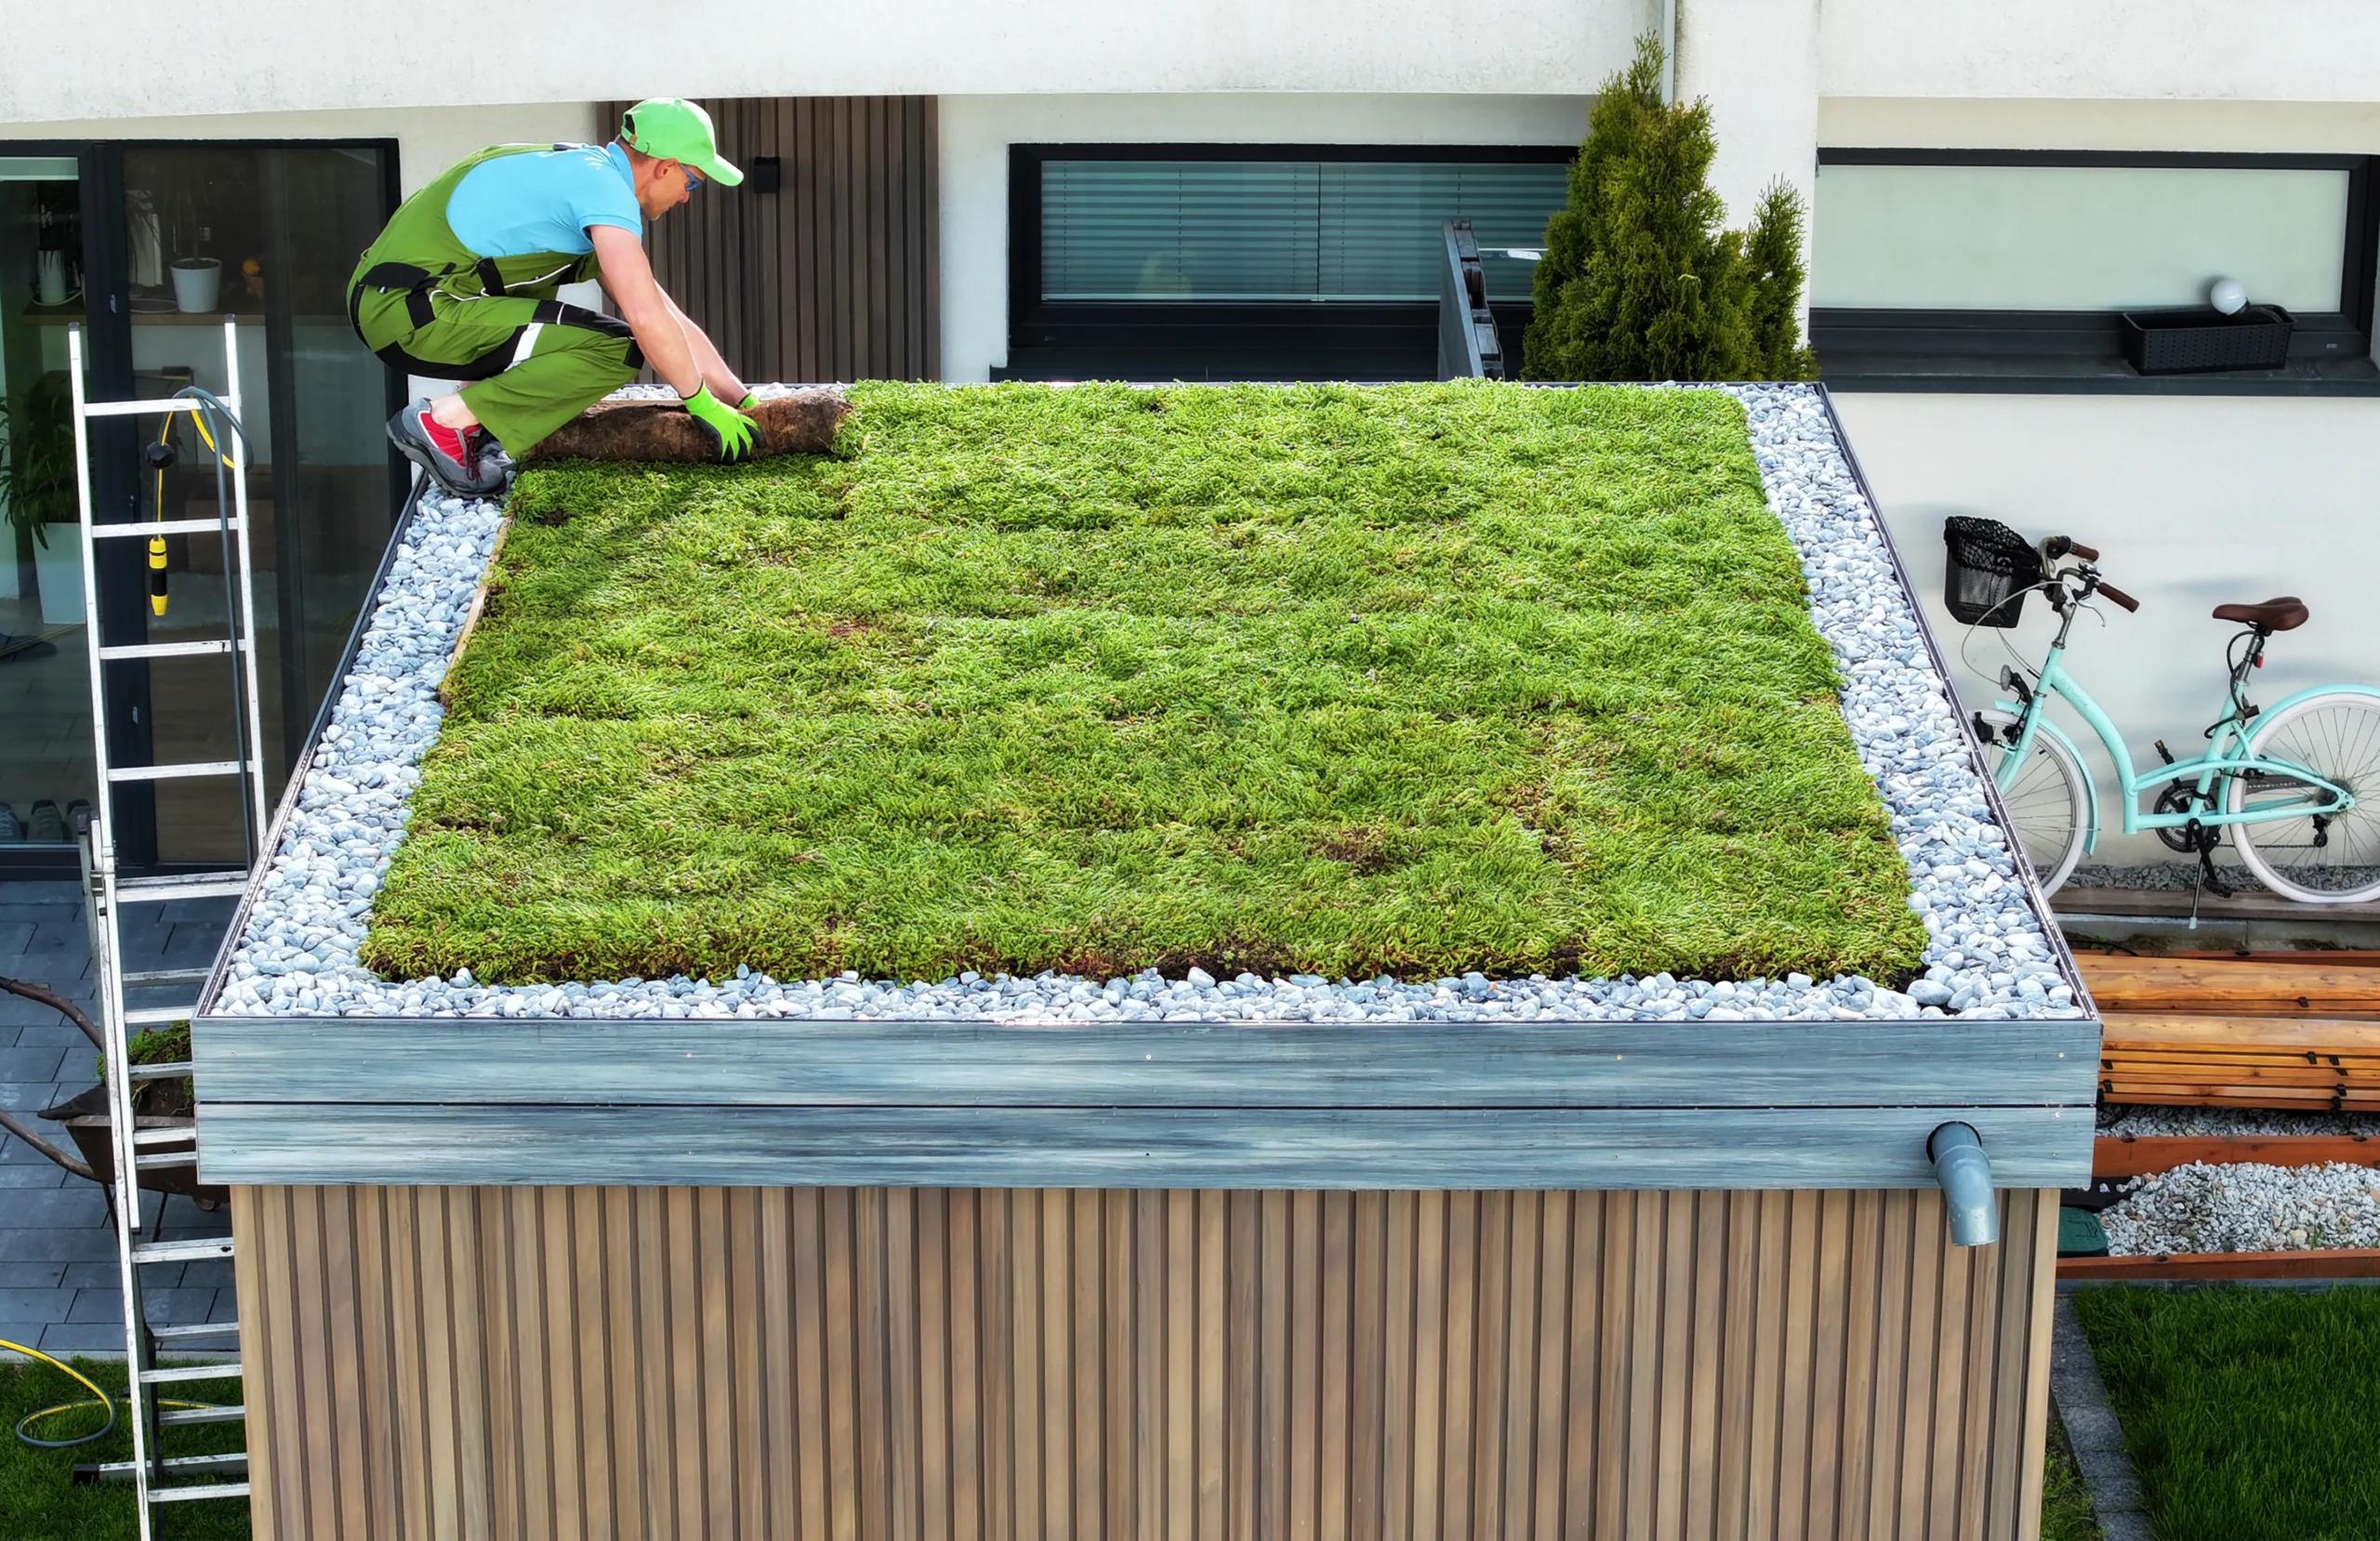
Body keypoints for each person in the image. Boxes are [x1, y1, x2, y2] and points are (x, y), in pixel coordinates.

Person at [348, 99, 761, 496]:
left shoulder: (576, 171)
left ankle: (476, 422)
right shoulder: (603, 192)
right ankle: (445, 421)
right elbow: (646, 322)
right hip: (412, 311)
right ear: (665, 167)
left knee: (561, 291)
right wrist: (699, 403)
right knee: (615, 350)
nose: (687, 196)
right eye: (690, 182)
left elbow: (660, 310)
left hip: (403, 303)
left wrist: (738, 397)